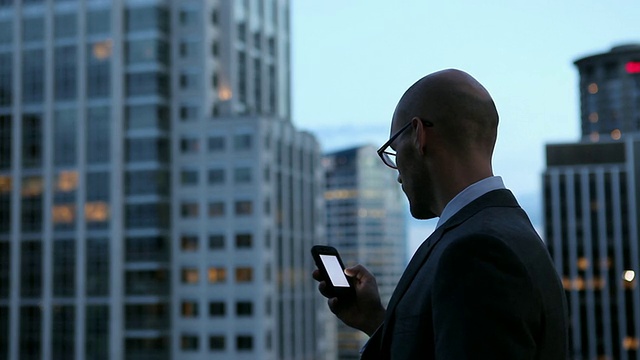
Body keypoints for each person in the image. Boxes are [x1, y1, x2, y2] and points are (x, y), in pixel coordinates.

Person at [313, 69, 568, 359]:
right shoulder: (507, 231)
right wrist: (376, 320)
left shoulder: (476, 251)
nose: (397, 174)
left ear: (419, 135)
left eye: (395, 152)